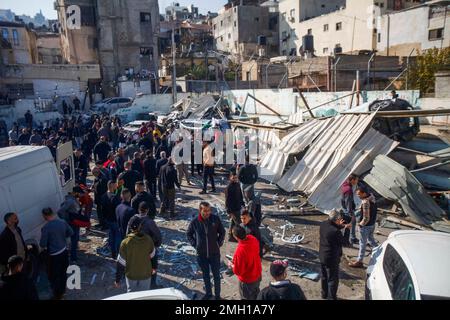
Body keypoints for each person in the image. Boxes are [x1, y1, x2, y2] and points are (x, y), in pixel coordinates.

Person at [187, 202, 225, 300]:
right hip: (201, 254)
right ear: (200, 211)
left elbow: (222, 232)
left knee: (216, 276)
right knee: (206, 275)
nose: (207, 213)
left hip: (214, 254)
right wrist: (195, 244)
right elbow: (189, 234)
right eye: (205, 211)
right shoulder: (195, 222)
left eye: (209, 210)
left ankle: (217, 296)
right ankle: (208, 293)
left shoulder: (215, 219)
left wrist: (219, 243)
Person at [115, 216, 155, 293]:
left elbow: (120, 263)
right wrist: (154, 267)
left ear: (130, 227)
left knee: (132, 295)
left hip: (131, 275)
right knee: (144, 296)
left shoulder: (125, 242)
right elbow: (153, 256)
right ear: (141, 226)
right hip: (145, 274)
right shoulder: (148, 240)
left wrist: (117, 279)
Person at [39, 208, 73, 300]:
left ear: (45, 216)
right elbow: (71, 232)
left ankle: (58, 295)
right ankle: (63, 289)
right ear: (52, 213)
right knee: (63, 272)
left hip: (54, 255)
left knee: (55, 275)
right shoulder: (62, 222)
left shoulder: (46, 227)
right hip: (64, 251)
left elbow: (42, 244)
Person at [129, 202, 162, 289]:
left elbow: (127, 234)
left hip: (135, 249)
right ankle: (152, 285)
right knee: (153, 267)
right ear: (147, 210)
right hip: (148, 250)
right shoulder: (150, 222)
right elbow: (158, 236)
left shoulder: (132, 219)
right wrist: (156, 245)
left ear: (139, 210)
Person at [228, 225, 262, 300]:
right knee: (256, 295)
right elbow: (257, 251)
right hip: (257, 274)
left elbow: (238, 271)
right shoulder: (252, 238)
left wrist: (232, 265)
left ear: (236, 237)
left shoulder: (240, 251)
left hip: (248, 281)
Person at [319, 209, 346, 300]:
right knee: (332, 280)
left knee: (324, 276)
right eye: (339, 219)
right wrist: (347, 229)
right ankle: (331, 298)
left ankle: (324, 294)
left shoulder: (323, 224)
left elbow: (332, 230)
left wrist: (340, 226)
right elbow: (345, 242)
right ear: (336, 219)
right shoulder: (335, 231)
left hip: (322, 255)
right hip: (331, 258)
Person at [349, 186, 378, 268]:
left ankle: (359, 261)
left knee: (362, 243)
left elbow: (366, 218)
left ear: (364, 193)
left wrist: (360, 224)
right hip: (372, 224)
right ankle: (380, 252)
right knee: (371, 240)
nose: (358, 196)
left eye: (359, 194)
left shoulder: (365, 202)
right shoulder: (371, 196)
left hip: (365, 226)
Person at [101, 181, 122, 258]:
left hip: (108, 219)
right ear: (112, 186)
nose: (116, 186)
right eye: (115, 185)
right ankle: (117, 251)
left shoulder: (104, 196)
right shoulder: (115, 198)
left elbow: (102, 209)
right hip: (115, 220)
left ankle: (112, 251)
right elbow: (118, 210)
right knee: (117, 236)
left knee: (111, 235)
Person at [224, 171, 244, 241]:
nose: (235, 179)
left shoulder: (238, 184)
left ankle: (230, 236)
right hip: (233, 209)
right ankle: (239, 237)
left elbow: (240, 195)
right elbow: (227, 200)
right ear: (230, 178)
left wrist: (243, 204)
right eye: (233, 178)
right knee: (239, 224)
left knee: (233, 222)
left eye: (236, 178)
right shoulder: (228, 187)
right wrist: (229, 211)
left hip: (238, 207)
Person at [341, 174, 359, 246]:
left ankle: (352, 238)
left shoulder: (345, 185)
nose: (356, 182)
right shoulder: (348, 189)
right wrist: (350, 213)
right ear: (352, 180)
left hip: (346, 208)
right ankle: (346, 242)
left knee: (353, 223)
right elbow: (348, 202)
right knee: (348, 226)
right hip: (348, 210)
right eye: (356, 180)